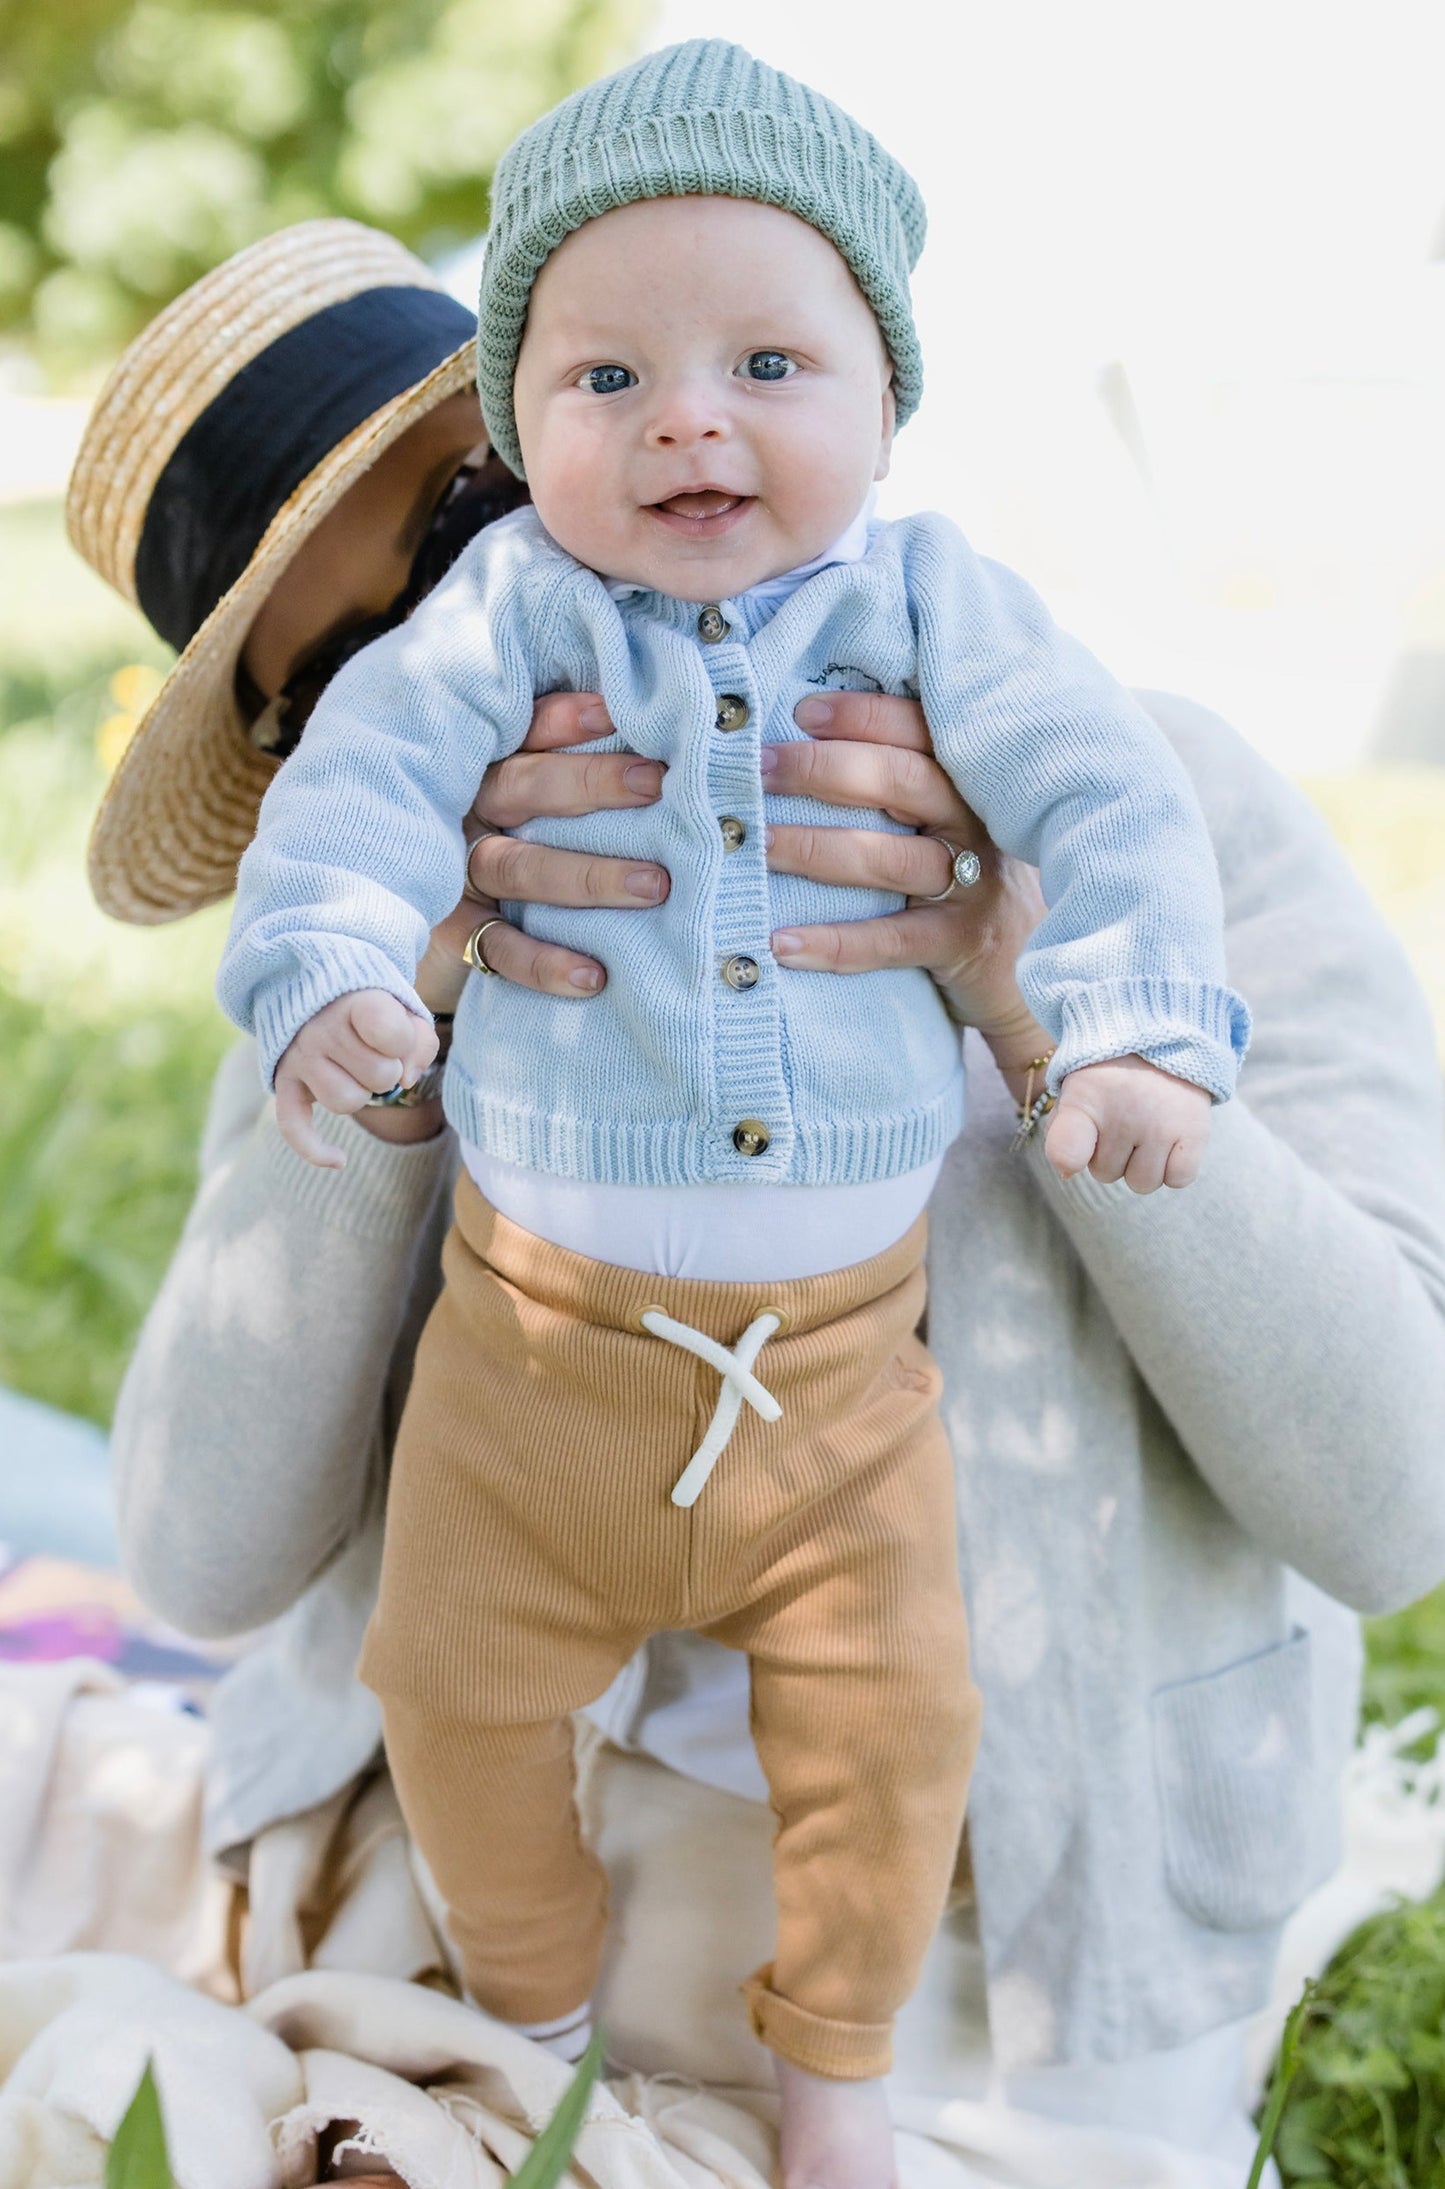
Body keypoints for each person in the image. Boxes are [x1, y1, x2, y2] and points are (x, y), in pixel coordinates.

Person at [71, 203, 1445, 2189]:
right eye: (376, 646)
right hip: (466, 1950)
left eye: (473, 505)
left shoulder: (1157, 805)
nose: (492, 599)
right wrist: (397, 1040)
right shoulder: (377, 939)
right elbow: (197, 1561)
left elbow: (1392, 1500)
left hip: (971, 2004)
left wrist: (1048, 995)